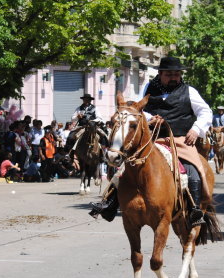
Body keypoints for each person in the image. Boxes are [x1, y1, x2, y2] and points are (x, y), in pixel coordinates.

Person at [90, 56, 213, 226]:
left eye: (176, 74)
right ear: (160, 74)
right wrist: (149, 118)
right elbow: (139, 110)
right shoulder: (149, 88)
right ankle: (109, 202)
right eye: (169, 74)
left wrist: (196, 129)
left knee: (194, 170)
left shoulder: (189, 91)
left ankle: (194, 210)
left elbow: (205, 112)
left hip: (180, 140)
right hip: (152, 140)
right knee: (124, 168)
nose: (173, 77)